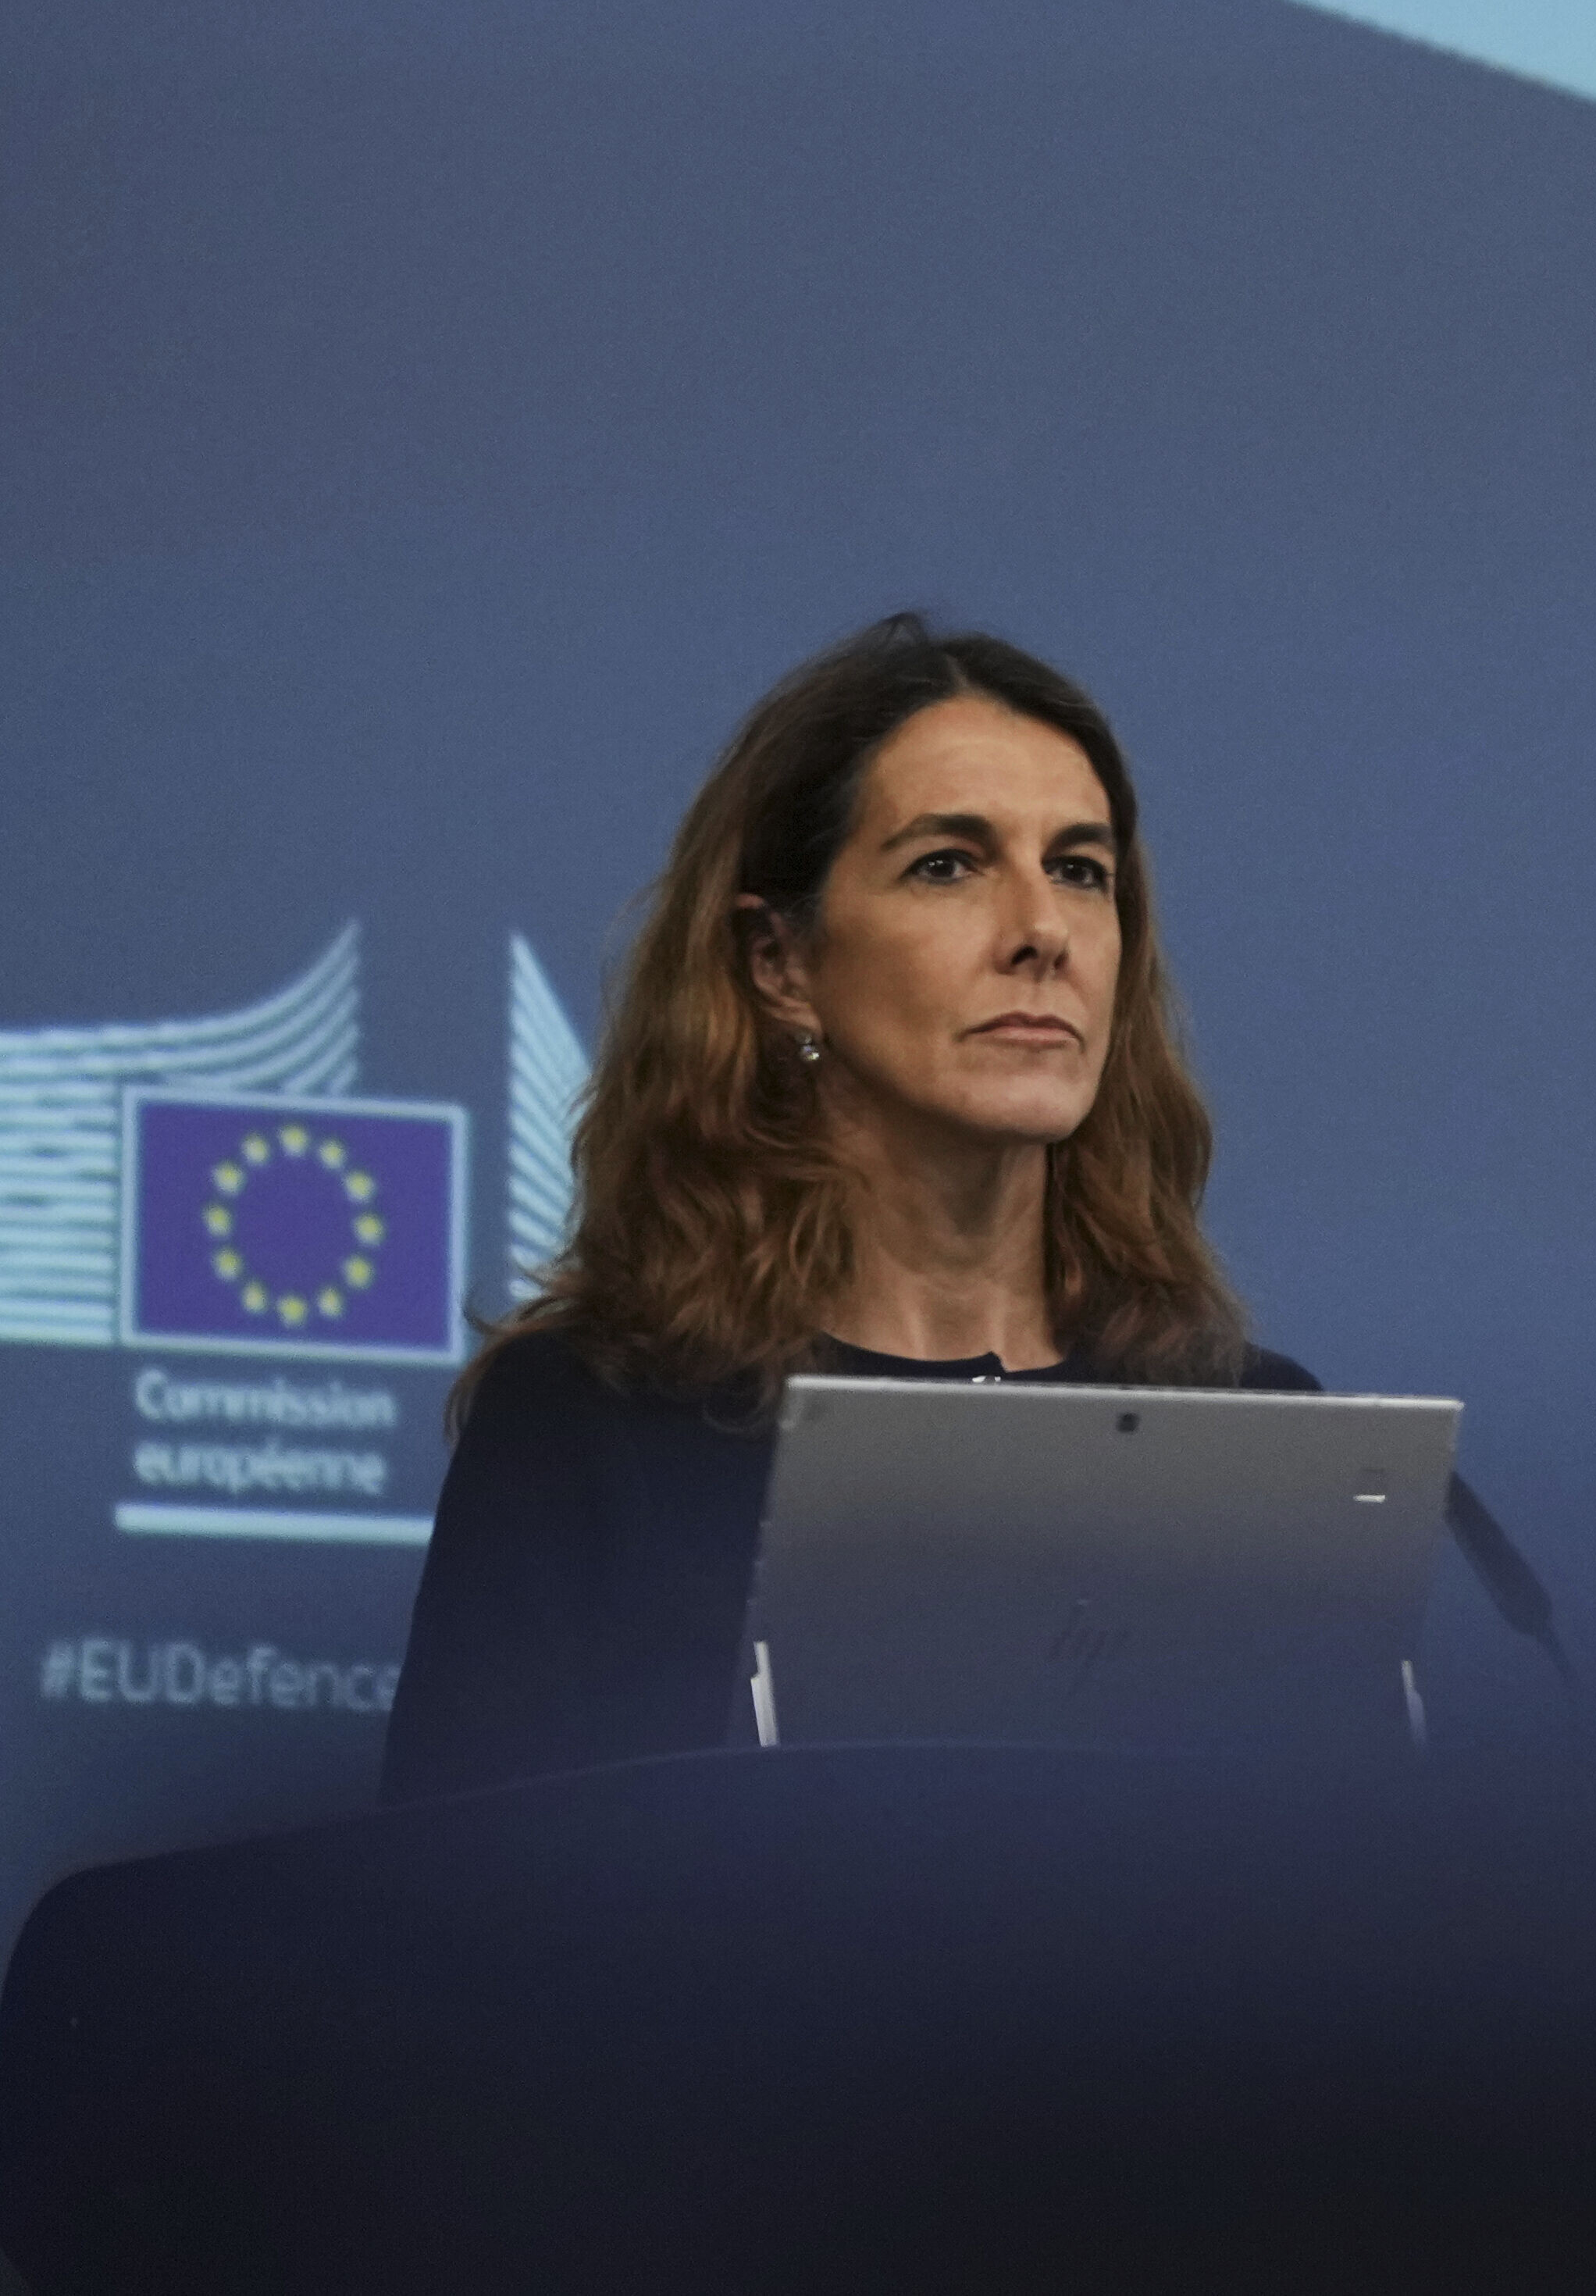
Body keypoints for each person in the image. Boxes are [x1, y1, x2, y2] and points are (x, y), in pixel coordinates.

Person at [386, 616, 1305, 1797]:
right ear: (781, 965)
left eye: (1081, 870)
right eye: (949, 864)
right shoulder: (597, 1428)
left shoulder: (1249, 1440)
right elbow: (458, 1931)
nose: (1041, 933)